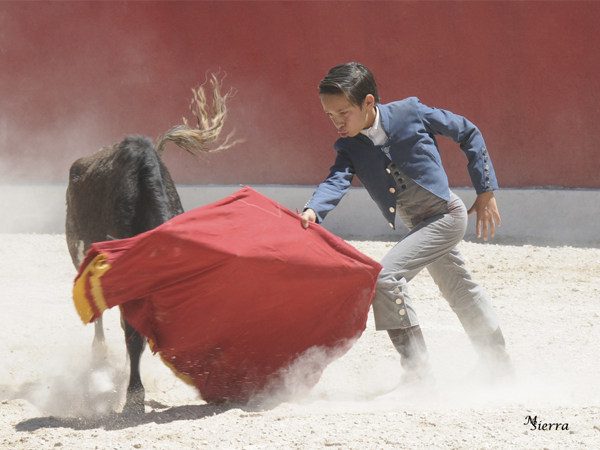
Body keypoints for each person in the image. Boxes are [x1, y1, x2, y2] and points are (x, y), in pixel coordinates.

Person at [299, 62, 511, 384]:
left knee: (386, 278)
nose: (337, 122)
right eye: (330, 115)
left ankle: (418, 377)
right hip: (419, 224)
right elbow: (335, 180)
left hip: (446, 215)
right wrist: (313, 210)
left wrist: (486, 191)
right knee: (460, 288)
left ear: (368, 102)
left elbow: (467, 131)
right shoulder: (349, 146)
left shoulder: (409, 112)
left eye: (343, 113)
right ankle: (499, 366)